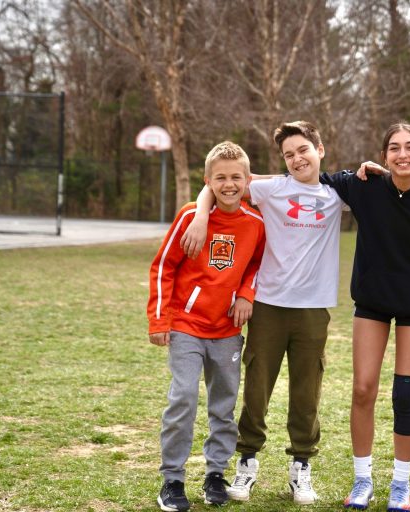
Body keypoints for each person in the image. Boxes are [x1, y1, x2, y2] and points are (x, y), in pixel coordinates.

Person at [181, 121, 344, 505]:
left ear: (320, 149)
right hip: (268, 306)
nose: (297, 158)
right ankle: (247, 461)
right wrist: (201, 216)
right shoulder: (272, 189)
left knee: (307, 392)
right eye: (288, 154)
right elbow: (218, 182)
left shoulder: (338, 193)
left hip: (313, 309)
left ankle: (301, 466)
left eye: (303, 150)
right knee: (256, 389)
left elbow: (389, 186)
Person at [321, 123, 410, 511]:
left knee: (405, 395)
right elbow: (306, 175)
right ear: (383, 156)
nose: (402, 154)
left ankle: (400, 483)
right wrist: (225, 185)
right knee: (363, 389)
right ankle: (362, 479)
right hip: (373, 303)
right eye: (394, 148)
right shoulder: (366, 186)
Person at [146, 141, 266, 512]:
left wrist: (246, 294)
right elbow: (163, 267)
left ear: (247, 180)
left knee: (224, 406)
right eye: (220, 178)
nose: (228, 184)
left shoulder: (256, 224)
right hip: (185, 325)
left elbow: (256, 265)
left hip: (227, 330)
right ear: (207, 180)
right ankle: (173, 480)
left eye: (235, 177)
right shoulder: (189, 217)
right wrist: (159, 319)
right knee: (182, 398)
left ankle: (215, 473)